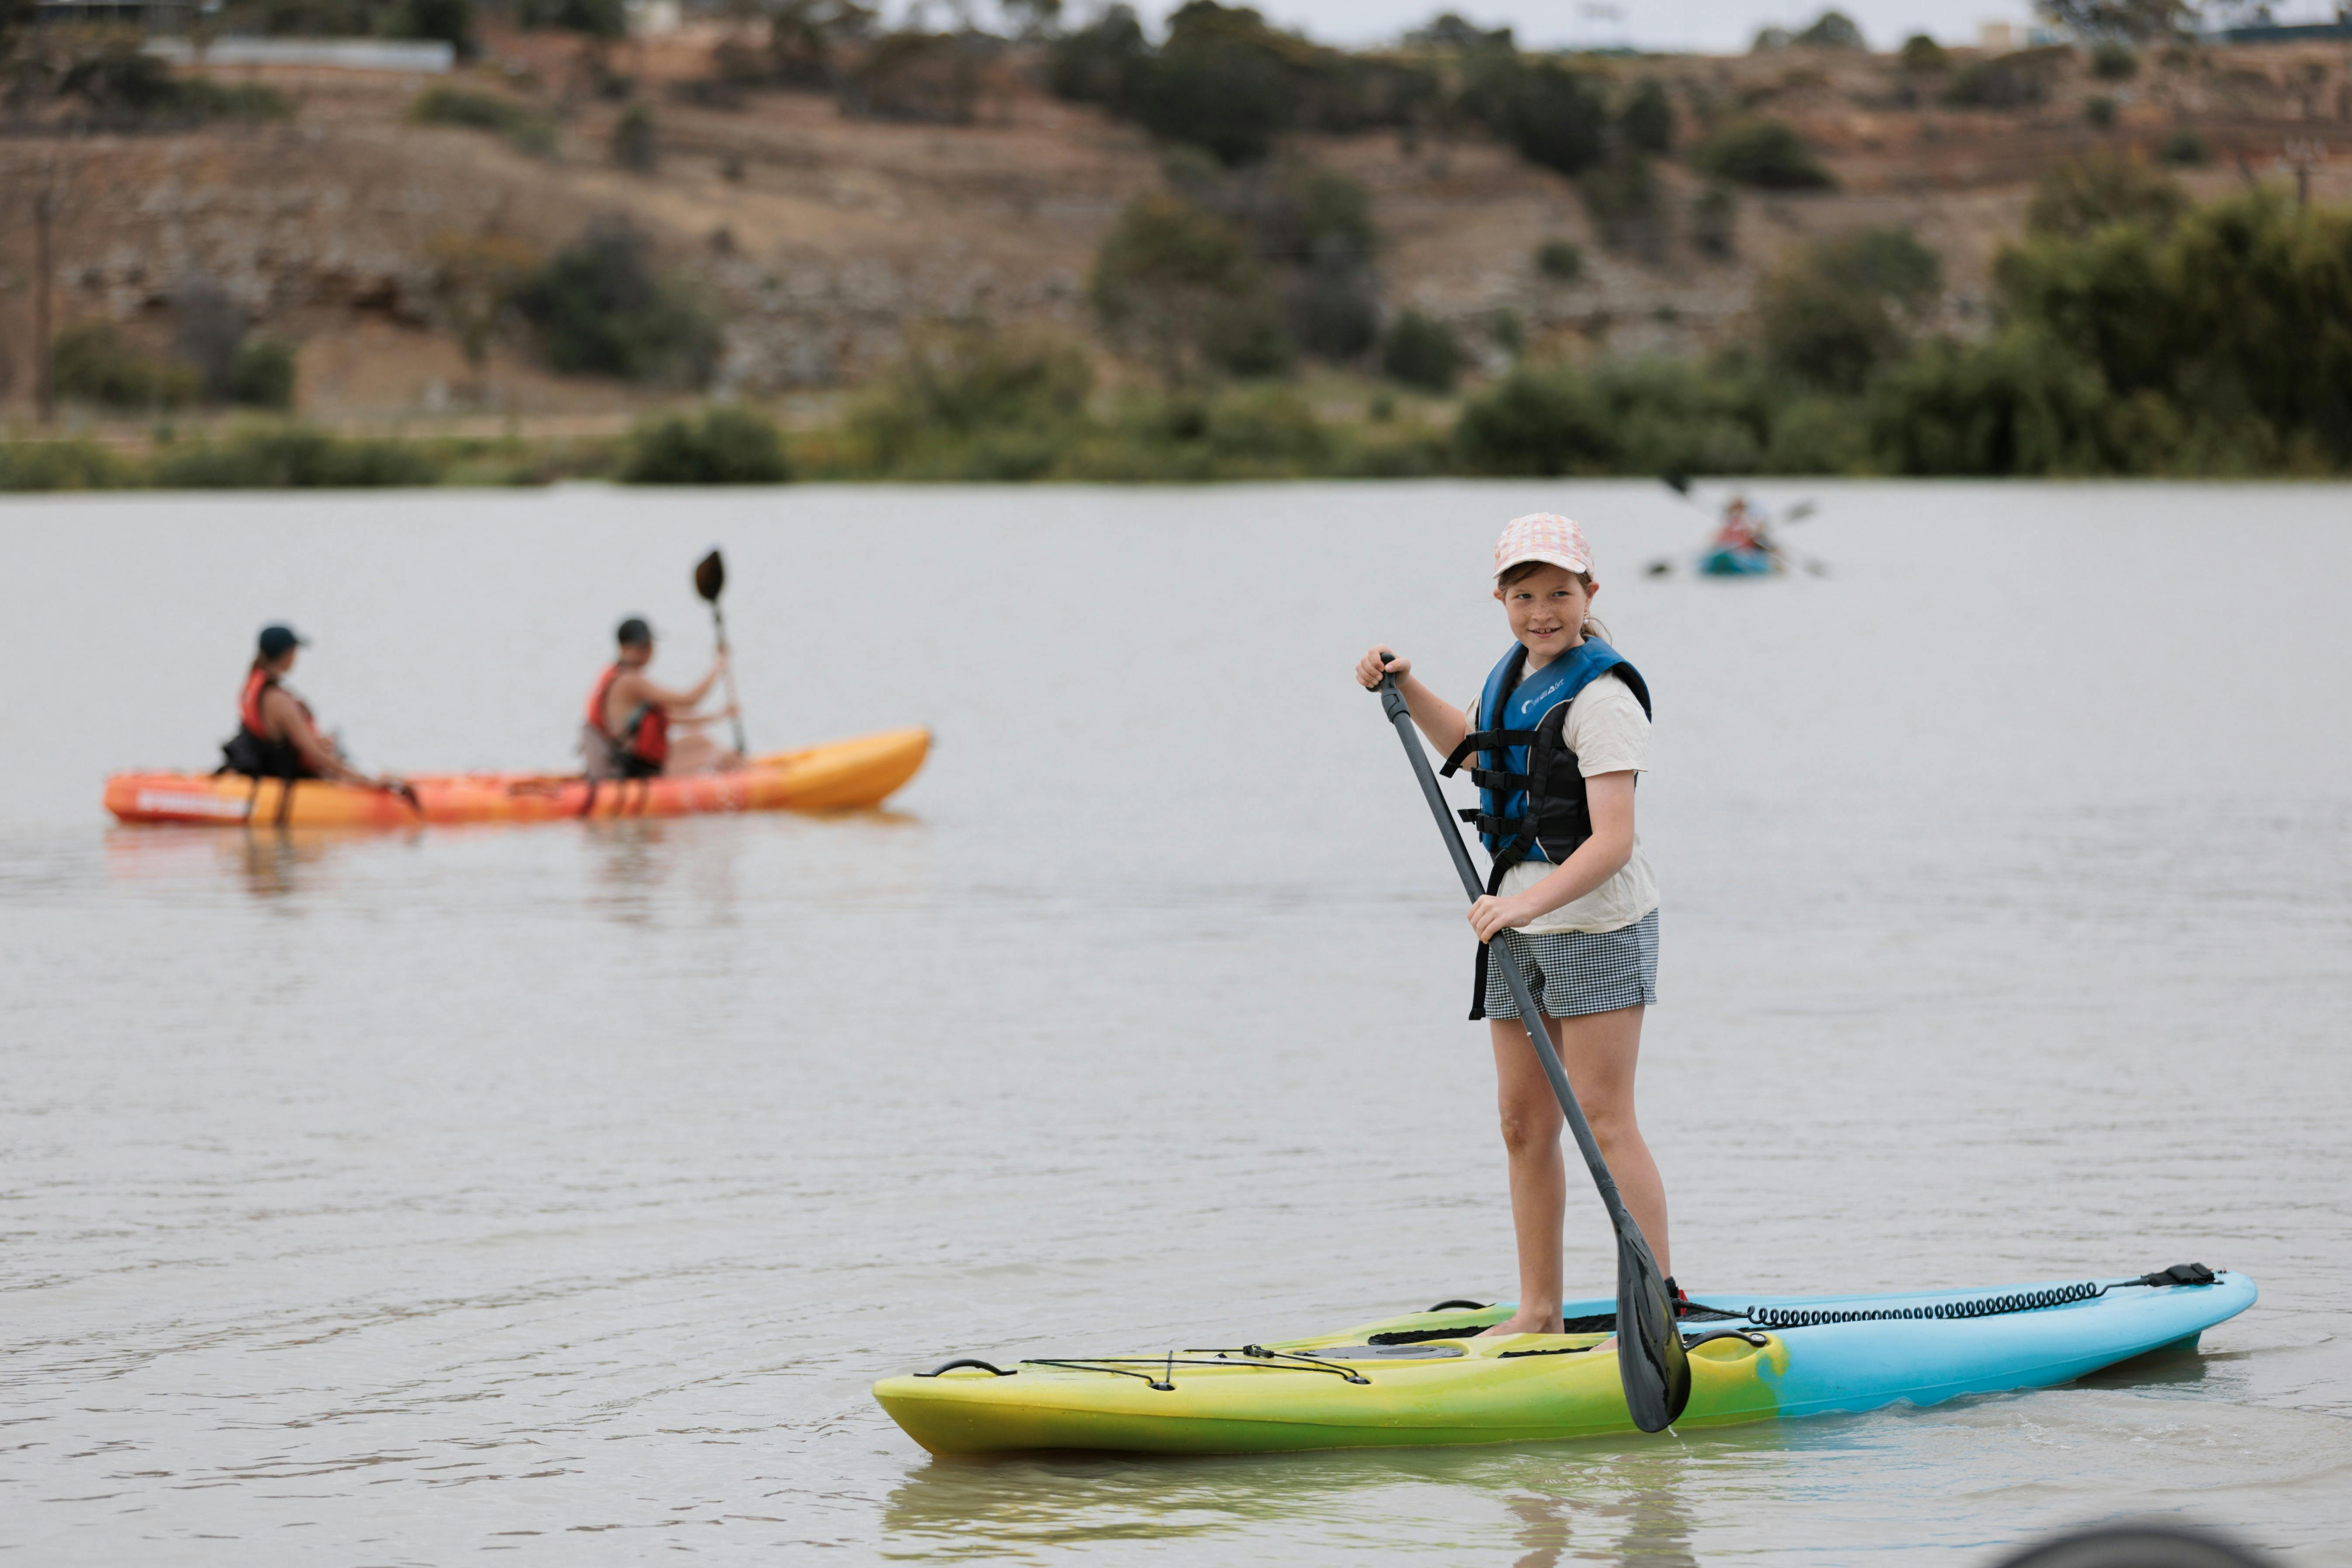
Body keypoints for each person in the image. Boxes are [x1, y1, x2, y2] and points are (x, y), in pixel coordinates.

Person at [1355, 512, 1673, 1337]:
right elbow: (1471, 747)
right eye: (1524, 594)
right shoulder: (1512, 677)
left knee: (1603, 1119)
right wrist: (1403, 685)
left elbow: (1612, 840)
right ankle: (1538, 1311)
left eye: (1559, 593)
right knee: (1522, 1121)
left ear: (1588, 594)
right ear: (1499, 597)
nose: (1542, 610)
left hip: (1595, 924)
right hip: (1516, 927)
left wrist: (1523, 905)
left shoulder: (1600, 697)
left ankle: (1654, 1306)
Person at [220, 623, 403, 790]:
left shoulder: (253, 686)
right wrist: (367, 782)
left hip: (266, 767)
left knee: (331, 750)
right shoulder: (279, 701)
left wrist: (318, 741)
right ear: (288, 654)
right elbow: (314, 754)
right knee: (356, 771)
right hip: (288, 775)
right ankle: (376, 778)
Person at [582, 617, 742, 781]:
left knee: (700, 740)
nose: (648, 651)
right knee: (724, 758)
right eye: (641, 647)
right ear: (624, 648)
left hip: (636, 761)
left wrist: (716, 717)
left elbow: (667, 717)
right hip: (636, 769)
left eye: (649, 645)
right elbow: (690, 699)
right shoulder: (630, 682)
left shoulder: (621, 676)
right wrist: (719, 665)